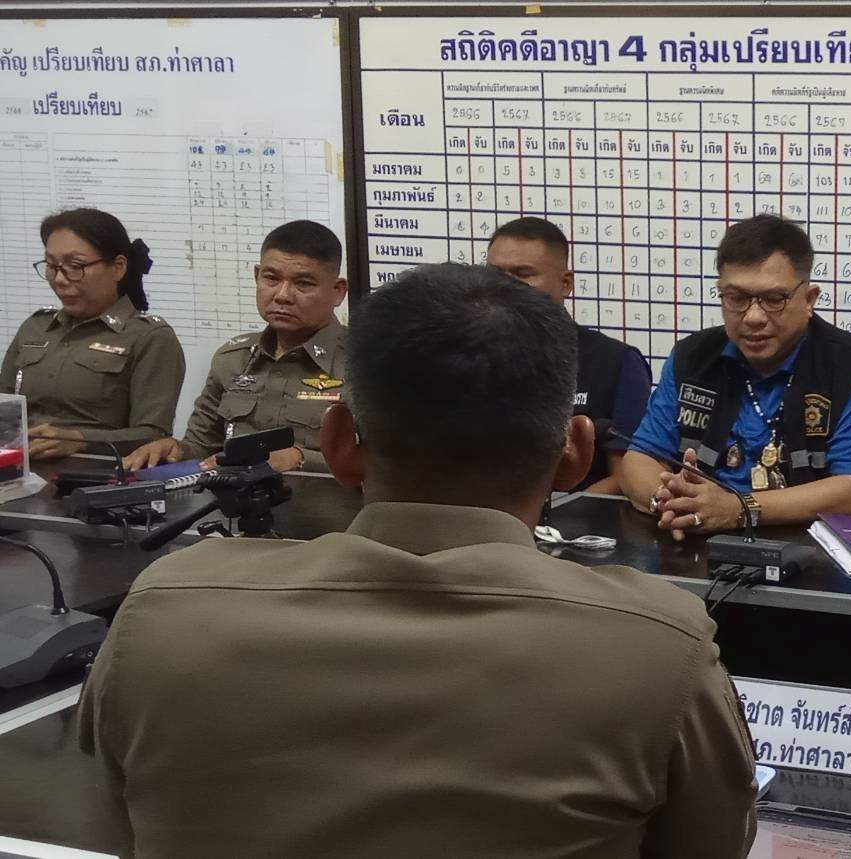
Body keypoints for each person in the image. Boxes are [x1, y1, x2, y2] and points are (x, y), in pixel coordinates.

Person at [78, 264, 758, 858]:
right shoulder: (657, 649)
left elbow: (115, 829)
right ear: (575, 454)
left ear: (339, 445)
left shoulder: (161, 614)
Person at [619, 214, 851, 537]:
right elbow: (638, 460)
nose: (753, 317)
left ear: (809, 299)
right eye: (736, 298)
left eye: (774, 299)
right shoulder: (691, 358)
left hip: (818, 552)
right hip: (702, 543)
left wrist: (738, 509)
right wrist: (668, 500)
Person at [124, 220, 347, 474]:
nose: (282, 295)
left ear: (338, 291)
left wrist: (300, 458)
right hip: (232, 500)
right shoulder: (233, 358)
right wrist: (176, 450)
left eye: (303, 284)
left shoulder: (365, 365)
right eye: (271, 278)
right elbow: (202, 448)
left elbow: (380, 463)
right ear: (257, 276)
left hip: (320, 500)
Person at [1, 208, 184, 461]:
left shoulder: (149, 337)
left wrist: (79, 440)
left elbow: (153, 436)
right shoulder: (35, 327)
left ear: (118, 267)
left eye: (75, 266)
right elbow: (4, 411)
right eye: (52, 266)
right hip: (17, 468)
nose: (60, 279)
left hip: (96, 472)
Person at [486, 216, 650, 493]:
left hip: (574, 517)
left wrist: (552, 513)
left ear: (565, 283)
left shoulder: (615, 362)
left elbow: (627, 476)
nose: (504, 286)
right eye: (495, 274)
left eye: (523, 274)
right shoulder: (465, 358)